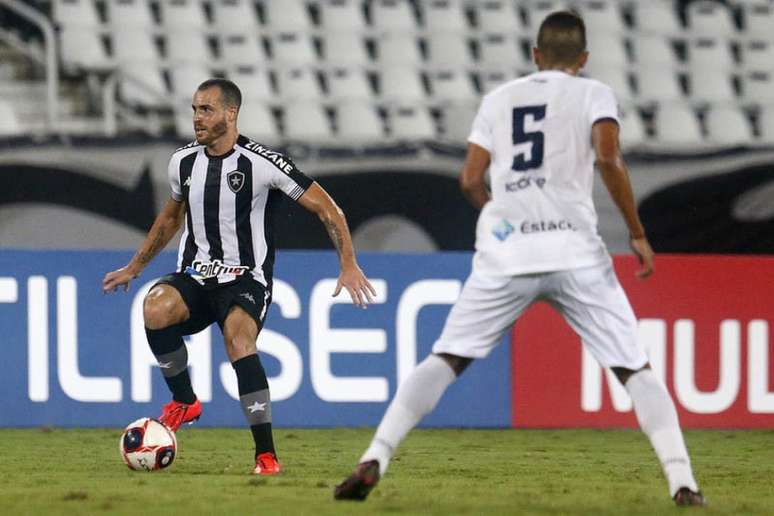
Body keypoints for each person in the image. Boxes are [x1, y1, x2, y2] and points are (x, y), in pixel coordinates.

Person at [334, 11, 705, 506]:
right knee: (634, 369)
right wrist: (636, 233)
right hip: (575, 253)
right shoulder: (593, 93)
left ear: (535, 55)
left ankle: (376, 455)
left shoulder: (499, 99)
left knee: (445, 358)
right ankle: (683, 483)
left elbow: (469, 179)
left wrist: (502, 217)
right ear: (584, 59)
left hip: (507, 252)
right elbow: (610, 158)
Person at [103, 78, 376, 475]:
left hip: (246, 278)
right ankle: (185, 401)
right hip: (197, 276)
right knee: (154, 307)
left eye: (206, 109)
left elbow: (328, 209)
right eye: (195, 109)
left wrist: (348, 263)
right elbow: (171, 217)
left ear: (231, 113)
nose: (197, 118)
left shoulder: (263, 163)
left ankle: (266, 455)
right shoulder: (183, 162)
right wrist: (136, 267)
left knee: (238, 340)